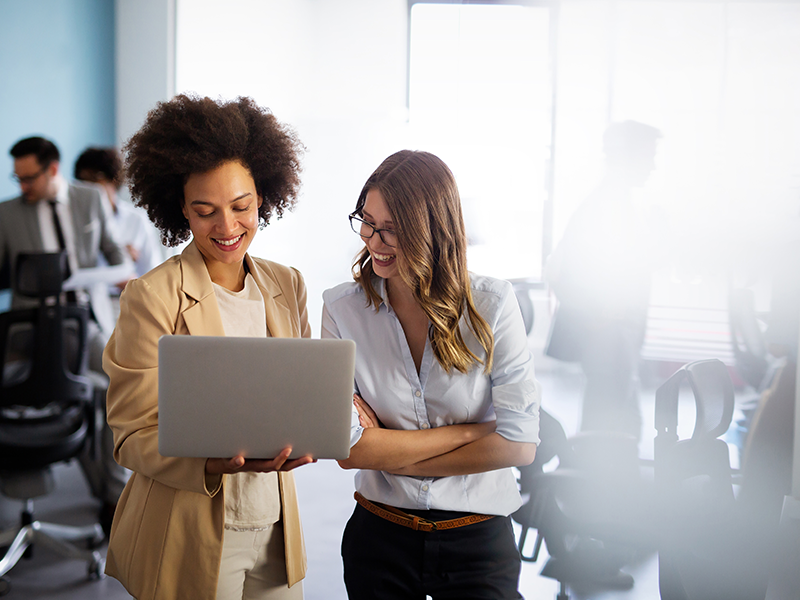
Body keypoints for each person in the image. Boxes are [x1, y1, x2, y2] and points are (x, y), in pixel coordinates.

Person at [102, 94, 312, 600]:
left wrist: (314, 430)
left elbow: (301, 395)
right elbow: (130, 436)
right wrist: (210, 463)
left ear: (262, 196)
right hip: (188, 526)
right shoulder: (152, 297)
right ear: (180, 209)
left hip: (276, 527)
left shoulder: (288, 286)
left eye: (241, 207)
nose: (227, 228)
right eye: (205, 211)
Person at [322, 150, 541, 599]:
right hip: (379, 539)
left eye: (392, 229)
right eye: (367, 221)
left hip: (477, 543)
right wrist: (470, 434)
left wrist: (387, 449)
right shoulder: (342, 310)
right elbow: (348, 450)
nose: (373, 241)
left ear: (433, 230)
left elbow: (519, 446)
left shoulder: (493, 304)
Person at [0, 135, 133, 530]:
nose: (22, 186)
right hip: (27, 331)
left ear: (52, 169)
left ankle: (115, 497)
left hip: (81, 321)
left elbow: (120, 260)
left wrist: (89, 276)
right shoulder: (7, 214)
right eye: (17, 178)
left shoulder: (90, 200)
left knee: (119, 389)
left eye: (29, 178)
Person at [545, 120, 663, 442]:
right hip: (610, 335)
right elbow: (561, 271)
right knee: (608, 430)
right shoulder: (605, 207)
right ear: (628, 156)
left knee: (620, 425)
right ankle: (588, 487)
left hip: (617, 334)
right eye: (648, 156)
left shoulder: (619, 203)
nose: (653, 165)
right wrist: (602, 318)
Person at [74, 147, 163, 278]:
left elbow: (154, 271)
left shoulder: (136, 219)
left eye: (95, 180)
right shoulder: (74, 219)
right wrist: (120, 255)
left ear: (113, 180)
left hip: (130, 293)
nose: (91, 189)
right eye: (84, 183)